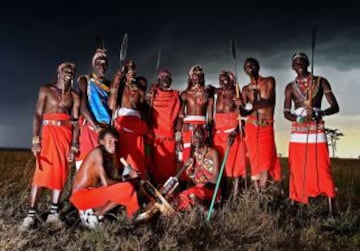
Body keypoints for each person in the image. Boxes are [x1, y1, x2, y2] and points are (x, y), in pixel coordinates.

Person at [21, 62, 80, 230]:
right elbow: (38, 115)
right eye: (65, 69)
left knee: (59, 174)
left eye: (72, 71)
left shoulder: (74, 96)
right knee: (40, 175)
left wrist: (74, 145)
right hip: (47, 134)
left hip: (65, 136)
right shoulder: (46, 89)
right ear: (58, 72)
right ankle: (30, 216)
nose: (69, 72)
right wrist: (35, 139)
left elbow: (75, 122)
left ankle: (53, 215)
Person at [284, 52, 339, 215]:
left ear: (308, 63)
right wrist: (300, 119)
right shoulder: (289, 87)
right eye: (295, 62)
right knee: (298, 166)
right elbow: (286, 113)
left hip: (316, 128)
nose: (298, 63)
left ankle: (332, 209)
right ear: (292, 66)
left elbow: (335, 107)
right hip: (298, 131)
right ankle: (295, 204)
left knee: (322, 166)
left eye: (302, 61)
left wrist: (319, 113)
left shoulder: (321, 81)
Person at [70, 127, 140, 228]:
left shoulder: (110, 155)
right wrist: (127, 180)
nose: (113, 144)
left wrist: (130, 177)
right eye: (109, 141)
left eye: (115, 141)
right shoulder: (97, 153)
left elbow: (110, 182)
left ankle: (132, 219)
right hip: (81, 197)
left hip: (93, 193)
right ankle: (97, 215)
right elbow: (107, 183)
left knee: (131, 186)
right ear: (101, 142)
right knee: (128, 187)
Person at [242, 58, 281, 193]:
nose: (250, 67)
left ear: (258, 66)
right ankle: (259, 196)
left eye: (252, 64)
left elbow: (268, 101)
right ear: (244, 70)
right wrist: (238, 105)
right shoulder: (245, 89)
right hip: (251, 126)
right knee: (254, 160)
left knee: (265, 161)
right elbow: (242, 109)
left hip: (265, 125)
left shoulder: (269, 81)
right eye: (247, 66)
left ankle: (264, 194)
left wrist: (250, 108)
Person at [176, 65, 214, 186]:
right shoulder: (185, 94)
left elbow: (210, 114)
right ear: (190, 77)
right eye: (194, 75)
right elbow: (181, 115)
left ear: (202, 77)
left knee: (201, 156)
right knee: (187, 155)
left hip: (202, 128)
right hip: (188, 127)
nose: (196, 77)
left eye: (199, 75)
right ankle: (185, 187)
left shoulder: (207, 93)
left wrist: (210, 131)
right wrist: (178, 138)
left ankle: (201, 185)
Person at [212, 71, 247, 199]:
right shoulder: (218, 92)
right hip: (218, 135)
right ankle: (223, 196)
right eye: (220, 80)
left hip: (233, 134)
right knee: (221, 166)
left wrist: (235, 132)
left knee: (237, 167)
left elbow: (242, 116)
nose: (222, 82)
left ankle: (237, 197)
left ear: (232, 80)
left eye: (225, 79)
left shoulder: (236, 94)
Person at [75, 48, 111, 170]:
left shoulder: (110, 85)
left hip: (106, 130)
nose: (102, 65)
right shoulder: (85, 80)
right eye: (98, 62)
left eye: (104, 63)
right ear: (93, 64)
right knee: (86, 167)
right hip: (91, 128)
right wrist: (96, 127)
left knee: (103, 169)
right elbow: (83, 107)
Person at [111, 63, 149, 179]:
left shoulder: (140, 91)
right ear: (124, 71)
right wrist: (116, 83)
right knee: (122, 157)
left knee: (137, 158)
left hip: (136, 127)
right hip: (122, 126)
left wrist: (149, 98)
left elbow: (144, 111)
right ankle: (122, 187)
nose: (131, 70)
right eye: (128, 68)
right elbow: (112, 105)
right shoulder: (119, 87)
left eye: (133, 67)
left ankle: (137, 189)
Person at [146, 69, 181, 186]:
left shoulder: (176, 95)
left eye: (168, 78)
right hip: (155, 136)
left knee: (168, 166)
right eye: (163, 77)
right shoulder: (152, 94)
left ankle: (168, 192)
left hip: (169, 136)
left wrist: (179, 133)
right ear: (158, 80)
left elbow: (179, 117)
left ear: (171, 81)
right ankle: (155, 191)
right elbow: (146, 111)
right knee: (153, 167)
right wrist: (150, 94)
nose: (165, 79)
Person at [177, 126, 220, 211]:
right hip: (199, 189)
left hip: (211, 190)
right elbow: (196, 181)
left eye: (200, 137)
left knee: (192, 195)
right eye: (195, 137)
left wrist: (201, 178)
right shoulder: (195, 154)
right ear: (192, 138)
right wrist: (192, 173)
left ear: (204, 138)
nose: (197, 139)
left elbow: (215, 179)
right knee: (181, 197)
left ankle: (208, 210)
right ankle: (197, 210)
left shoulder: (212, 153)